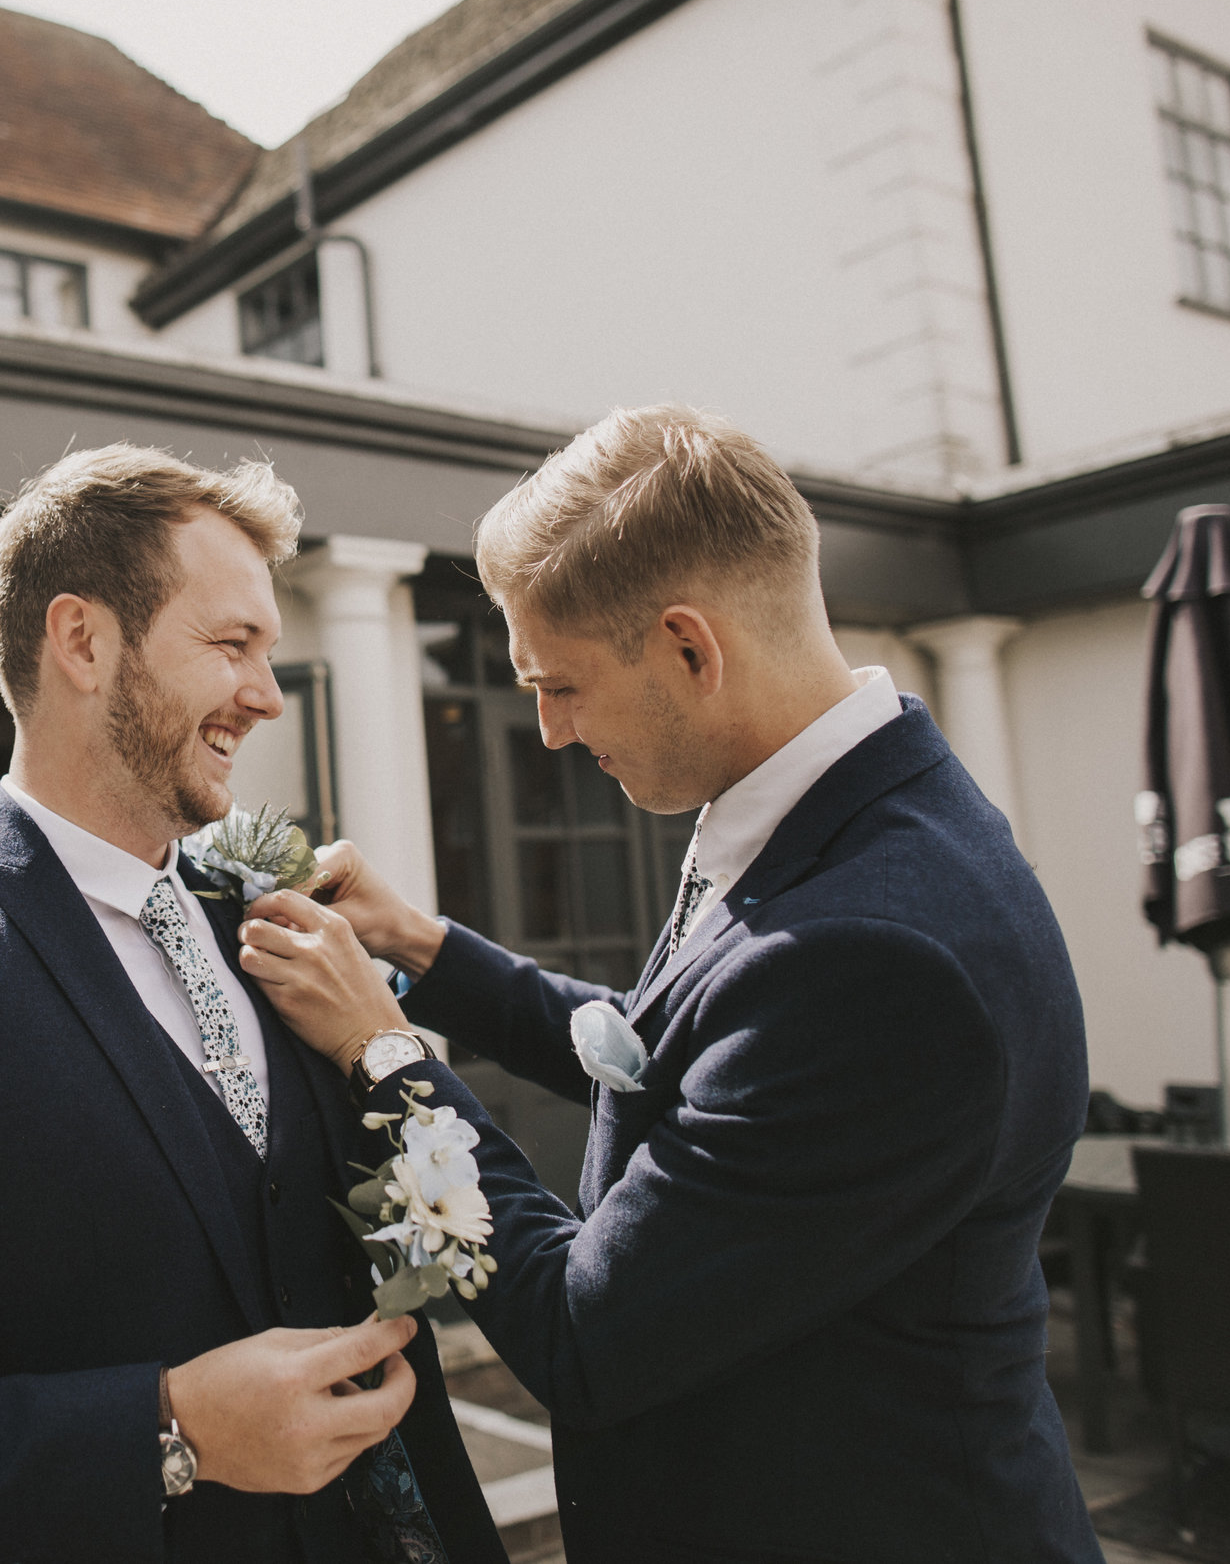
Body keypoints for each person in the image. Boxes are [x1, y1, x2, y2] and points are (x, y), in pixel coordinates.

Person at [238, 406, 1102, 1562]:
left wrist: (383, 1054)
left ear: (691, 647)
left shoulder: (876, 956)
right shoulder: (852, 810)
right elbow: (664, 1057)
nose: (544, 730)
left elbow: (582, 1336)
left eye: (562, 685)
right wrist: (428, 949)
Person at [0, 446, 506, 1564]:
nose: (267, 694)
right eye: (230, 645)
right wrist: (164, 1428)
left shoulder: (275, 922)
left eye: (267, 651)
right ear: (81, 639)